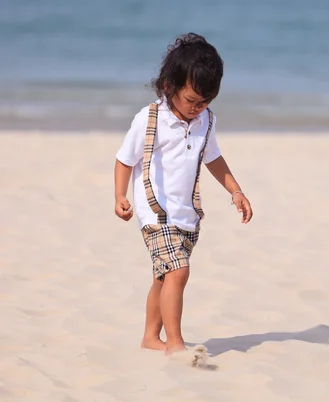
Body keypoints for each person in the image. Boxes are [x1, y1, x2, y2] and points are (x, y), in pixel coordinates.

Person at [113, 33, 253, 355]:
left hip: (185, 216)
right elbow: (124, 159)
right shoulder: (150, 119)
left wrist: (236, 190)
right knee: (179, 270)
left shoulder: (205, 121)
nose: (198, 108)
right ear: (168, 87)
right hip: (154, 212)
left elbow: (213, 158)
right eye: (192, 100)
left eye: (205, 102)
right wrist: (120, 196)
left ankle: (150, 337)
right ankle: (175, 344)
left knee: (163, 278)